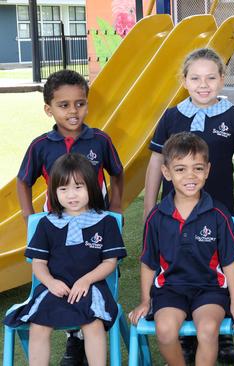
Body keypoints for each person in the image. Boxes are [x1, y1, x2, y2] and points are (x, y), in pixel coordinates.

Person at [142, 47, 234, 361]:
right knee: (179, 262)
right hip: (176, 208)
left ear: (222, 80)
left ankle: (220, 329)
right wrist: (150, 205)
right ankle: (184, 328)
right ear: (185, 80)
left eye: (210, 77)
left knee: (220, 264)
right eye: (195, 78)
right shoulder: (172, 116)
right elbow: (155, 163)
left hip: (218, 208)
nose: (203, 84)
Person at [16, 69, 124, 365]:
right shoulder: (41, 145)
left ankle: (84, 337)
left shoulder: (99, 140)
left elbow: (118, 174)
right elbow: (23, 180)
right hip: (58, 226)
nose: (73, 111)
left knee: (95, 270)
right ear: (49, 109)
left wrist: (115, 211)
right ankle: (73, 340)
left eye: (80, 103)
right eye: (64, 105)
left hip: (95, 224)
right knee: (61, 276)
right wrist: (30, 219)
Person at [129, 132, 234, 365]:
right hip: (170, 290)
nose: (190, 175)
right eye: (181, 169)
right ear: (166, 172)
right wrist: (145, 300)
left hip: (210, 290)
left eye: (198, 168)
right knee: (164, 331)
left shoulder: (218, 214)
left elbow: (229, 262)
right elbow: (148, 263)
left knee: (208, 330)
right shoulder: (157, 217)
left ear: (208, 170)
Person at [5, 153, 127, 366]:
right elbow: (39, 263)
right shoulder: (47, 224)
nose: (71, 195)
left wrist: (86, 280)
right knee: (39, 326)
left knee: (93, 324)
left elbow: (110, 262)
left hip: (92, 288)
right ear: (54, 192)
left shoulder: (105, 222)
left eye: (78, 187)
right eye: (63, 189)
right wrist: (51, 283)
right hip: (54, 288)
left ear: (91, 186)